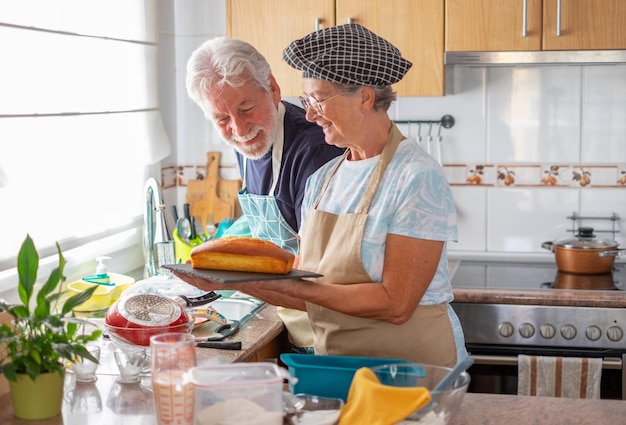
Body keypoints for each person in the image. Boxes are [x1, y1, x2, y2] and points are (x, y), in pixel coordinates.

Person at [178, 24, 467, 366]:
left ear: (364, 96)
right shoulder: (324, 180)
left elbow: (396, 304)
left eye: (317, 100)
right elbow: (307, 287)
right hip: (340, 368)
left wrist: (245, 281)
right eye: (305, 101)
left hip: (413, 371)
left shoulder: (416, 176)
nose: (310, 115)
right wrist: (229, 279)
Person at [185, 37, 345, 353]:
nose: (240, 129)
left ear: (272, 88)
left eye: (246, 109)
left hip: (333, 335)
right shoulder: (249, 143)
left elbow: (325, 272)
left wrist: (232, 278)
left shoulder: (316, 151)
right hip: (294, 321)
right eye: (222, 119)